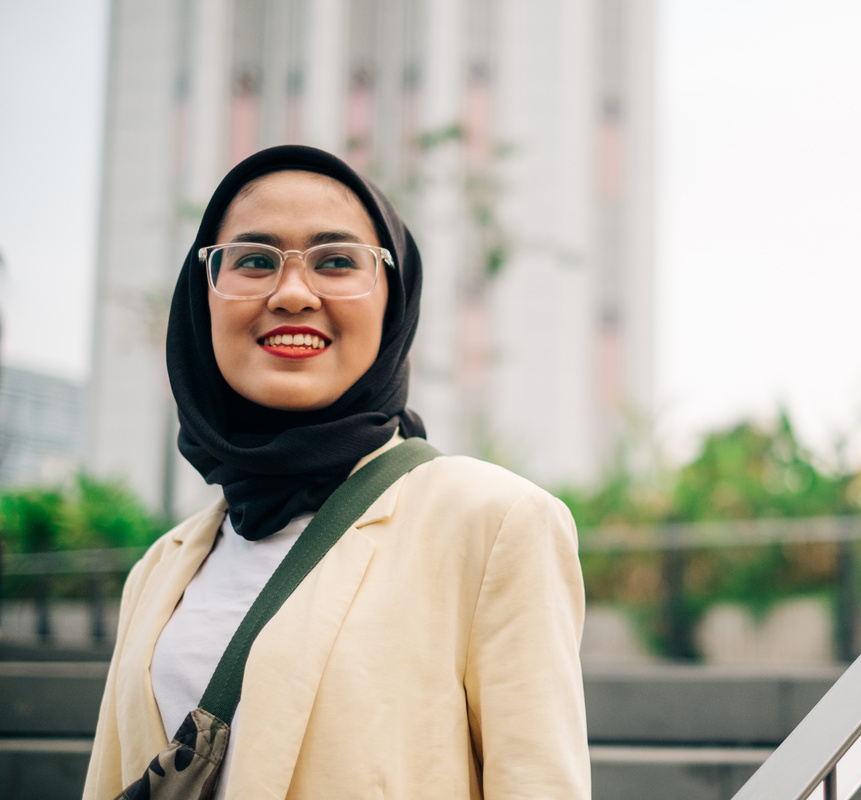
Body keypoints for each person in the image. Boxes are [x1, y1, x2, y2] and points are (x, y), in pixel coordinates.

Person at [82, 145, 590, 799]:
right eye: (255, 260)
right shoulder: (160, 568)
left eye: (338, 261)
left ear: (393, 302)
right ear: (201, 299)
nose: (293, 293)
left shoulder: (492, 524)